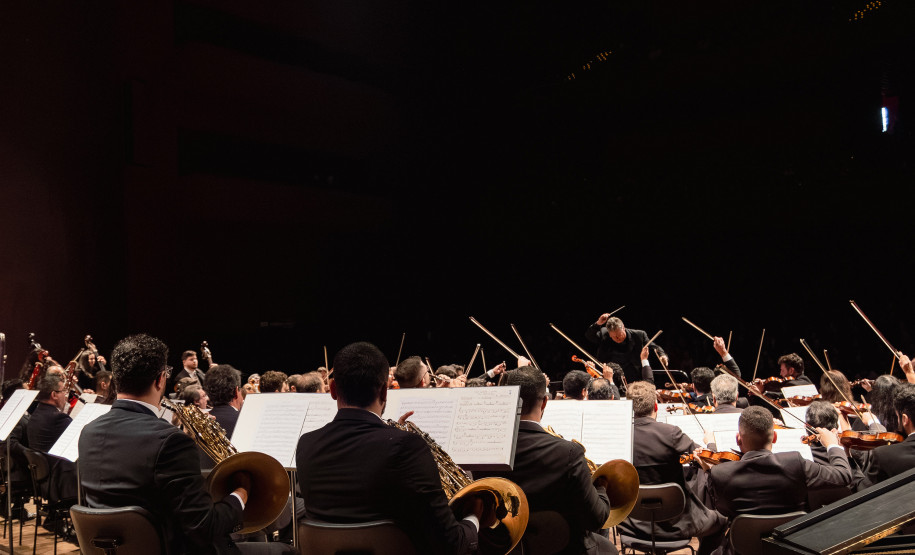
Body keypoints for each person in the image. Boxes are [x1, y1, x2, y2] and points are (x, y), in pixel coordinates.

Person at [78, 334, 292, 555]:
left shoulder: (89, 432)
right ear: (161, 379)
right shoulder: (170, 441)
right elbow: (205, 528)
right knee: (286, 551)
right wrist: (242, 491)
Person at [296, 342, 485, 554]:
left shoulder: (307, 443)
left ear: (332, 390)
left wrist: (387, 433)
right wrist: (473, 517)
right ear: (385, 392)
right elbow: (453, 545)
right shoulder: (407, 447)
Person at [473, 364, 614, 554]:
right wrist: (601, 486)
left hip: (503, 547)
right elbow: (596, 519)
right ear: (545, 402)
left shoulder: (480, 447)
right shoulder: (569, 452)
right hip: (563, 548)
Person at [618, 381, 726, 555]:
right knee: (721, 522)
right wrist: (710, 442)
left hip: (631, 523)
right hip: (676, 523)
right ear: (656, 405)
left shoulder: (620, 434)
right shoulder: (670, 433)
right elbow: (707, 458)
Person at [700, 406, 851, 521]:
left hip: (746, 546)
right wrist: (832, 445)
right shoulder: (795, 463)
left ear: (738, 439)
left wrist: (710, 456)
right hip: (790, 543)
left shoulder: (721, 473)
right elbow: (843, 475)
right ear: (775, 438)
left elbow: (721, 510)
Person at [857, 383, 915, 489]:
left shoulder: (884, 455)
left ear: (905, 419)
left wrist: (848, 457)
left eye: (898, 416)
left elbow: (862, 492)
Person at [585, 316, 664, 385]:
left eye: (619, 335)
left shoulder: (639, 335)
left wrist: (662, 355)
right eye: (614, 337)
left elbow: (654, 346)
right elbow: (589, 336)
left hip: (632, 374)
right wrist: (598, 323)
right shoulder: (604, 334)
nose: (618, 338)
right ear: (609, 333)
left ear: (623, 327)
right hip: (610, 374)